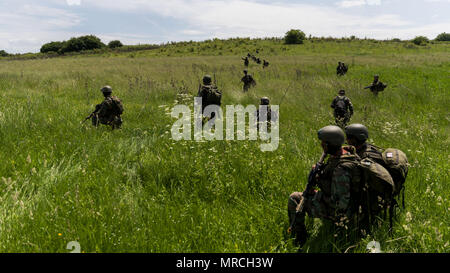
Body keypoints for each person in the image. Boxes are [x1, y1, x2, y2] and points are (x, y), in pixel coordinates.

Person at [288, 125, 361, 246]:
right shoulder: (347, 153)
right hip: (354, 204)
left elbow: (340, 205)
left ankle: (299, 240)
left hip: (344, 213)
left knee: (294, 199)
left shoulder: (341, 170)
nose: (322, 145)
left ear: (329, 145)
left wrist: (317, 195)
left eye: (324, 143)